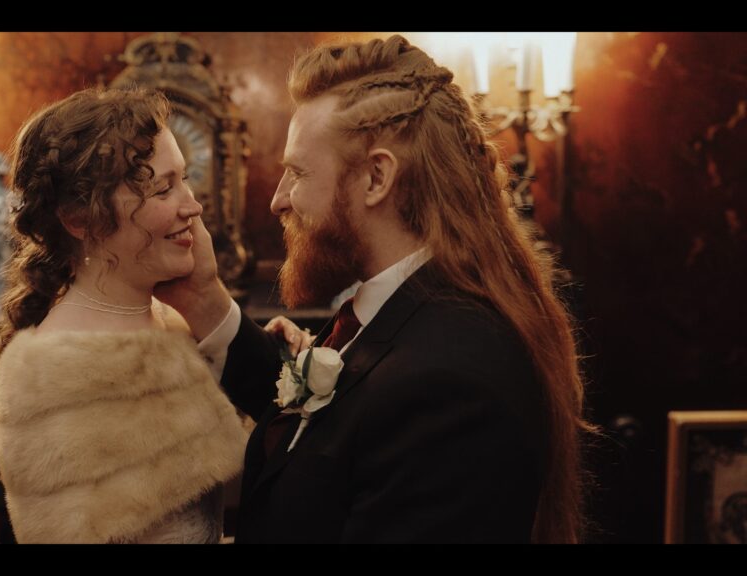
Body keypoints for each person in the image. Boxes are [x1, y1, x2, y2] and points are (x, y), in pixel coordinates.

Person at [155, 35, 593, 543]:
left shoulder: (450, 383)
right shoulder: (404, 315)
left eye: (297, 172)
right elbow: (338, 433)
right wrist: (203, 300)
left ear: (376, 177)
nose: (278, 200)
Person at [0, 87, 248, 543]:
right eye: (162, 187)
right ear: (81, 219)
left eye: (185, 179)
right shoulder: (49, 374)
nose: (192, 205)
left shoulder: (172, 323)